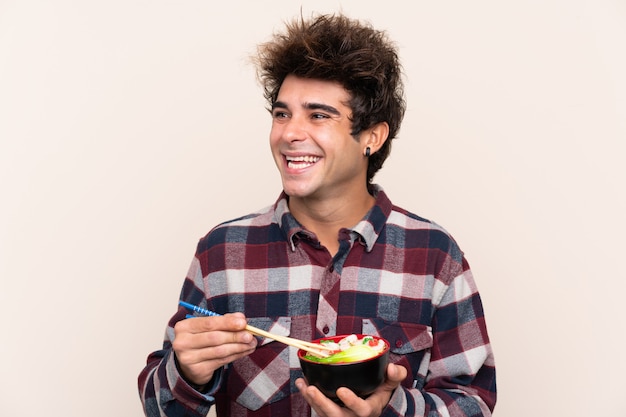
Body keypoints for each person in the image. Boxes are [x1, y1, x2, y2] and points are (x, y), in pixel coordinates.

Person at [138, 12, 496, 417]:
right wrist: (186, 372)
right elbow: (159, 406)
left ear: (372, 137)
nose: (290, 133)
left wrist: (393, 410)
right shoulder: (222, 251)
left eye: (319, 115)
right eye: (281, 113)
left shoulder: (434, 254)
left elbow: (474, 401)